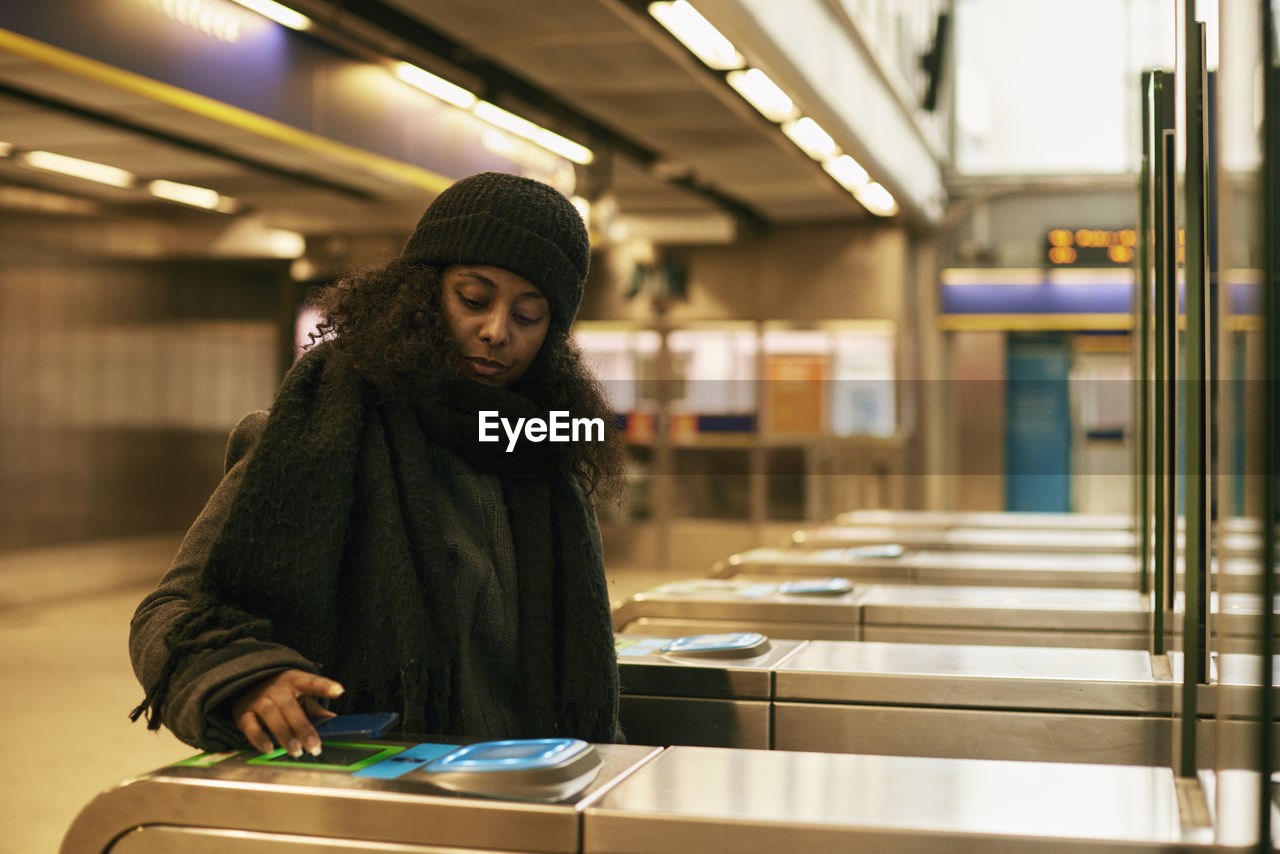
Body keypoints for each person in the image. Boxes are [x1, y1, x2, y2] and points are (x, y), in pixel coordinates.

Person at [129, 171, 626, 758]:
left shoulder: (544, 459)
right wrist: (249, 677)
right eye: (473, 298)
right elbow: (169, 613)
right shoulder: (315, 436)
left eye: (528, 315)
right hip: (366, 796)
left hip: (527, 794)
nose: (495, 331)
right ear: (422, 291)